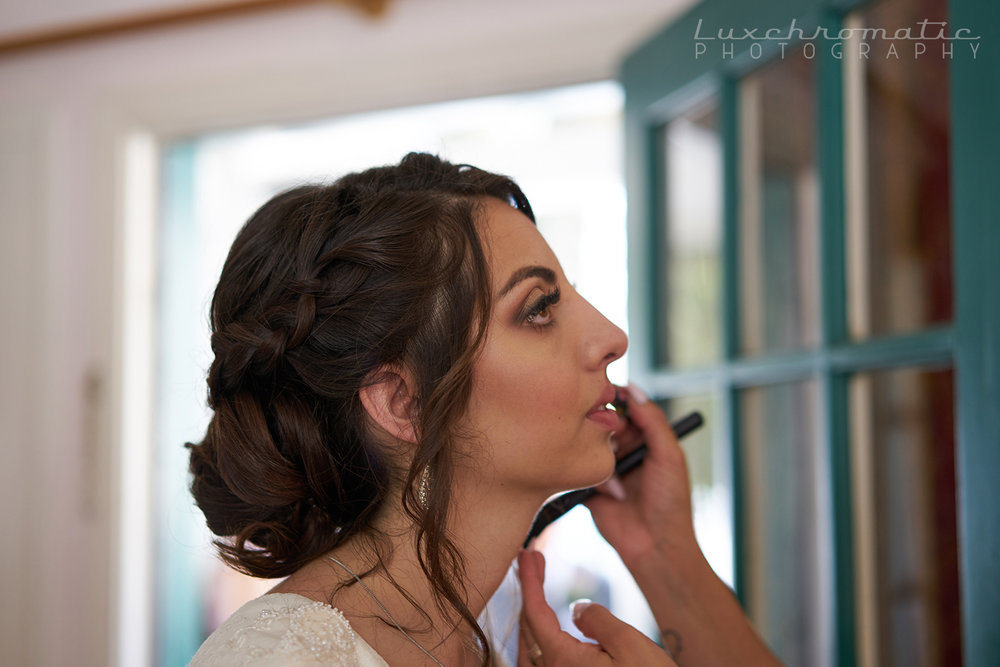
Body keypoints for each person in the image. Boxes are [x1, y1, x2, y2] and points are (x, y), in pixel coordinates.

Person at [187, 153, 779, 666]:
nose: (612, 336)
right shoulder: (280, 658)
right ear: (402, 402)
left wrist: (661, 547)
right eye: (539, 309)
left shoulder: (492, 624)